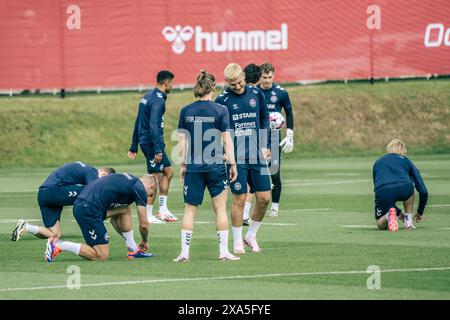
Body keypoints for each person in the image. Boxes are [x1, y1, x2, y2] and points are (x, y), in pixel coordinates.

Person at [174, 70, 239, 262]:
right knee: (219, 208)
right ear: (213, 88)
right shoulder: (221, 110)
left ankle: (184, 254)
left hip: (194, 167)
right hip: (216, 167)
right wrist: (233, 163)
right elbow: (227, 140)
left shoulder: (186, 110)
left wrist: (183, 164)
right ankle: (224, 252)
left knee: (189, 210)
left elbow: (181, 142)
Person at [215, 63, 271, 254]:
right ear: (227, 82)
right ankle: (237, 241)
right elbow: (216, 129)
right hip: (236, 158)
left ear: (244, 77)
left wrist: (264, 145)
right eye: (233, 85)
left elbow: (264, 118)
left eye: (239, 82)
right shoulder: (222, 100)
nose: (237, 87)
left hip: (257, 155)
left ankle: (251, 236)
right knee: (239, 199)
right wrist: (222, 150)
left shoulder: (257, 94)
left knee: (264, 198)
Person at [44, 173, 157, 262]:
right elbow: (143, 225)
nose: (148, 197)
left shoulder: (130, 181)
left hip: (86, 205)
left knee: (124, 210)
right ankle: (57, 245)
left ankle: (133, 249)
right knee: (101, 255)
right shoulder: (140, 188)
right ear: (150, 187)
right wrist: (144, 241)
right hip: (88, 209)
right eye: (151, 194)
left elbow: (114, 220)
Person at [11, 162, 115, 241]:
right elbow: (93, 193)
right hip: (54, 191)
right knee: (88, 194)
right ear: (104, 174)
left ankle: (26, 226)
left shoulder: (86, 170)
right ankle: (97, 226)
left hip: (44, 195)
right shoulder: (92, 172)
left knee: (54, 234)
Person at [128, 70, 177, 224]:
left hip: (148, 141)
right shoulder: (158, 101)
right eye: (171, 83)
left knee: (168, 172)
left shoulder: (147, 96)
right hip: (151, 142)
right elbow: (153, 125)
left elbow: (138, 121)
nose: (172, 85)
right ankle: (148, 215)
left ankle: (162, 210)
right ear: (165, 83)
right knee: (155, 178)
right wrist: (157, 149)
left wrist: (134, 145)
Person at [257, 62, 295, 218]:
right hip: (257, 137)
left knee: (274, 173)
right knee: (256, 173)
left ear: (274, 75)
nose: (267, 80)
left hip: (274, 138)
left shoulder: (281, 93)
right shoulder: (253, 92)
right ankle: (252, 208)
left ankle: (275, 207)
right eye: (264, 77)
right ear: (260, 76)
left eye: (270, 77)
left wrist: (290, 136)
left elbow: (289, 113)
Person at [373, 139, 428, 231]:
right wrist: (420, 212)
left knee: (380, 224)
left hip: (384, 190)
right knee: (410, 186)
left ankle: (388, 216)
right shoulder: (407, 161)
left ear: (389, 148)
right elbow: (423, 190)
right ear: (403, 151)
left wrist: (396, 213)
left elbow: (378, 189)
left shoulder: (378, 162)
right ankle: (408, 221)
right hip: (405, 189)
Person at [242, 63, 263, 226]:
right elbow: (264, 121)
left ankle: (243, 214)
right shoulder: (257, 93)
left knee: (247, 185)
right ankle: (243, 214)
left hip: (236, 148)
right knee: (253, 185)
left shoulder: (229, 95)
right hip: (253, 148)